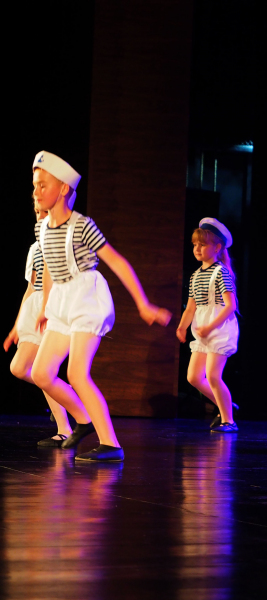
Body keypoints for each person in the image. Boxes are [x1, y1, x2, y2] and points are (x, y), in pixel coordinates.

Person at [30, 150, 172, 462]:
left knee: (77, 373)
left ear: (63, 189)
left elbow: (117, 262)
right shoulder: (42, 228)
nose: (36, 192)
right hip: (61, 301)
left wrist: (143, 304)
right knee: (41, 373)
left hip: (86, 298)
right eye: (34, 185)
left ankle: (111, 444)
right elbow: (50, 268)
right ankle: (83, 420)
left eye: (43, 185)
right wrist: (44, 306)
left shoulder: (82, 225)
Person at [4, 201, 75, 447]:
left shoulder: (62, 242)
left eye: (44, 212)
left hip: (54, 306)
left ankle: (66, 427)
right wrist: (17, 325)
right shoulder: (35, 248)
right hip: (35, 308)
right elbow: (30, 287)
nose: (39, 216)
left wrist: (50, 308)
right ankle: (65, 398)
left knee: (41, 371)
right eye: (36, 212)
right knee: (19, 368)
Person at [176, 218, 239, 433]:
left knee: (213, 376)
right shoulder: (195, 276)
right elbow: (190, 308)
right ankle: (226, 405)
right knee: (193, 377)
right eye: (195, 244)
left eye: (202, 244)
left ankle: (228, 420)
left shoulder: (221, 272)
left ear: (217, 248)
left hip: (219, 329)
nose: (197, 248)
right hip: (202, 330)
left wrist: (210, 327)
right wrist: (182, 327)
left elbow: (230, 306)